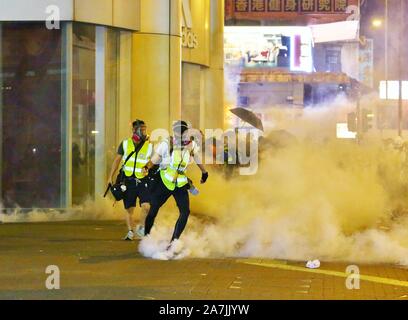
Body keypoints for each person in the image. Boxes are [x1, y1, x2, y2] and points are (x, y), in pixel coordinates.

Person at [142, 120, 208, 259]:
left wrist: (204, 172)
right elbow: (155, 159)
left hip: (179, 183)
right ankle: (146, 237)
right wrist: (146, 167)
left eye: (182, 133)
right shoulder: (167, 143)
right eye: (177, 133)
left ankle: (173, 242)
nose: (179, 135)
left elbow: (196, 157)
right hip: (164, 181)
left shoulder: (191, 145)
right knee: (154, 209)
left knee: (185, 212)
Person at [108, 120, 153, 241]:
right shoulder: (125, 144)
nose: (144, 131)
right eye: (141, 129)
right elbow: (116, 161)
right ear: (134, 130)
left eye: (145, 129)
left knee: (146, 206)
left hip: (142, 180)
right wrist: (110, 177)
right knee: (129, 209)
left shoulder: (149, 145)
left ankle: (142, 227)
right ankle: (130, 231)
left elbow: (153, 161)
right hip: (127, 181)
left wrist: (147, 166)